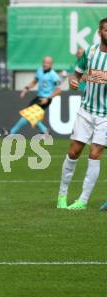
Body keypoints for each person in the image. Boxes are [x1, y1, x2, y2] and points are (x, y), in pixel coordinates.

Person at [57, 18, 107, 210]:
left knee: (95, 154)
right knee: (74, 151)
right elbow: (76, 74)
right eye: (106, 30)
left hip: (105, 115)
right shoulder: (90, 52)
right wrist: (73, 81)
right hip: (86, 110)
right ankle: (62, 196)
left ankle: (83, 200)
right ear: (99, 32)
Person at [4, 56, 62, 135]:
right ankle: (45, 130)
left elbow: (59, 90)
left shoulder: (54, 75)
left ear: (51, 64)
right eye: (44, 62)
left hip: (45, 99)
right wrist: (26, 88)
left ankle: (11, 132)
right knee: (31, 116)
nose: (45, 64)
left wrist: (48, 98)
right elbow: (34, 82)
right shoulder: (39, 71)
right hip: (38, 97)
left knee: (27, 115)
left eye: (47, 63)